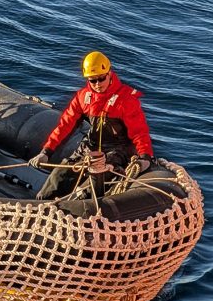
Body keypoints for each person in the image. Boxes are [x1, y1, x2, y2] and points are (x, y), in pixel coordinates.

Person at [29, 51, 155, 200]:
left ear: (109, 74)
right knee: (57, 179)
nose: (97, 84)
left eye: (101, 79)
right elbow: (65, 125)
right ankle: (43, 203)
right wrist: (46, 152)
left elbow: (139, 132)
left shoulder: (126, 100)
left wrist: (145, 157)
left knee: (88, 190)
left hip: (118, 149)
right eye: (92, 80)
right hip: (90, 147)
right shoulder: (83, 98)